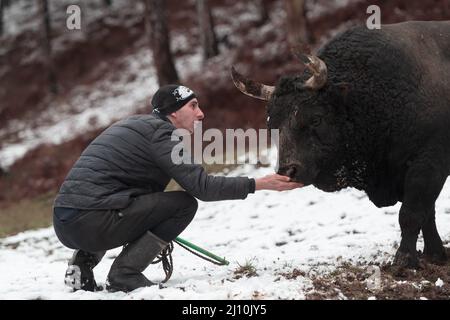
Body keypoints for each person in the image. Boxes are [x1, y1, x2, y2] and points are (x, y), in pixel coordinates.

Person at [53, 84, 303, 293]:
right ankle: (124, 274)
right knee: (183, 205)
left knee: (122, 200)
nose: (201, 114)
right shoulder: (162, 135)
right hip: (93, 222)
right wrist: (260, 184)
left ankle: (81, 267)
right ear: (173, 113)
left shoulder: (135, 126)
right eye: (193, 106)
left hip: (65, 223)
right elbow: (202, 188)